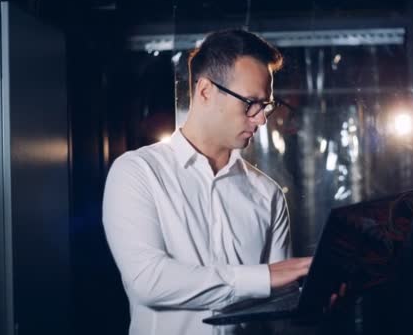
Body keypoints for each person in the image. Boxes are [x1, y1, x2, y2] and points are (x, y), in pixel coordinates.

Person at [102, 29, 312, 335]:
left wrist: (312, 301)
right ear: (204, 91)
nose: (261, 119)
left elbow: (279, 303)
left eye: (266, 105)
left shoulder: (268, 195)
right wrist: (261, 278)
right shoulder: (137, 172)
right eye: (251, 103)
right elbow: (148, 281)